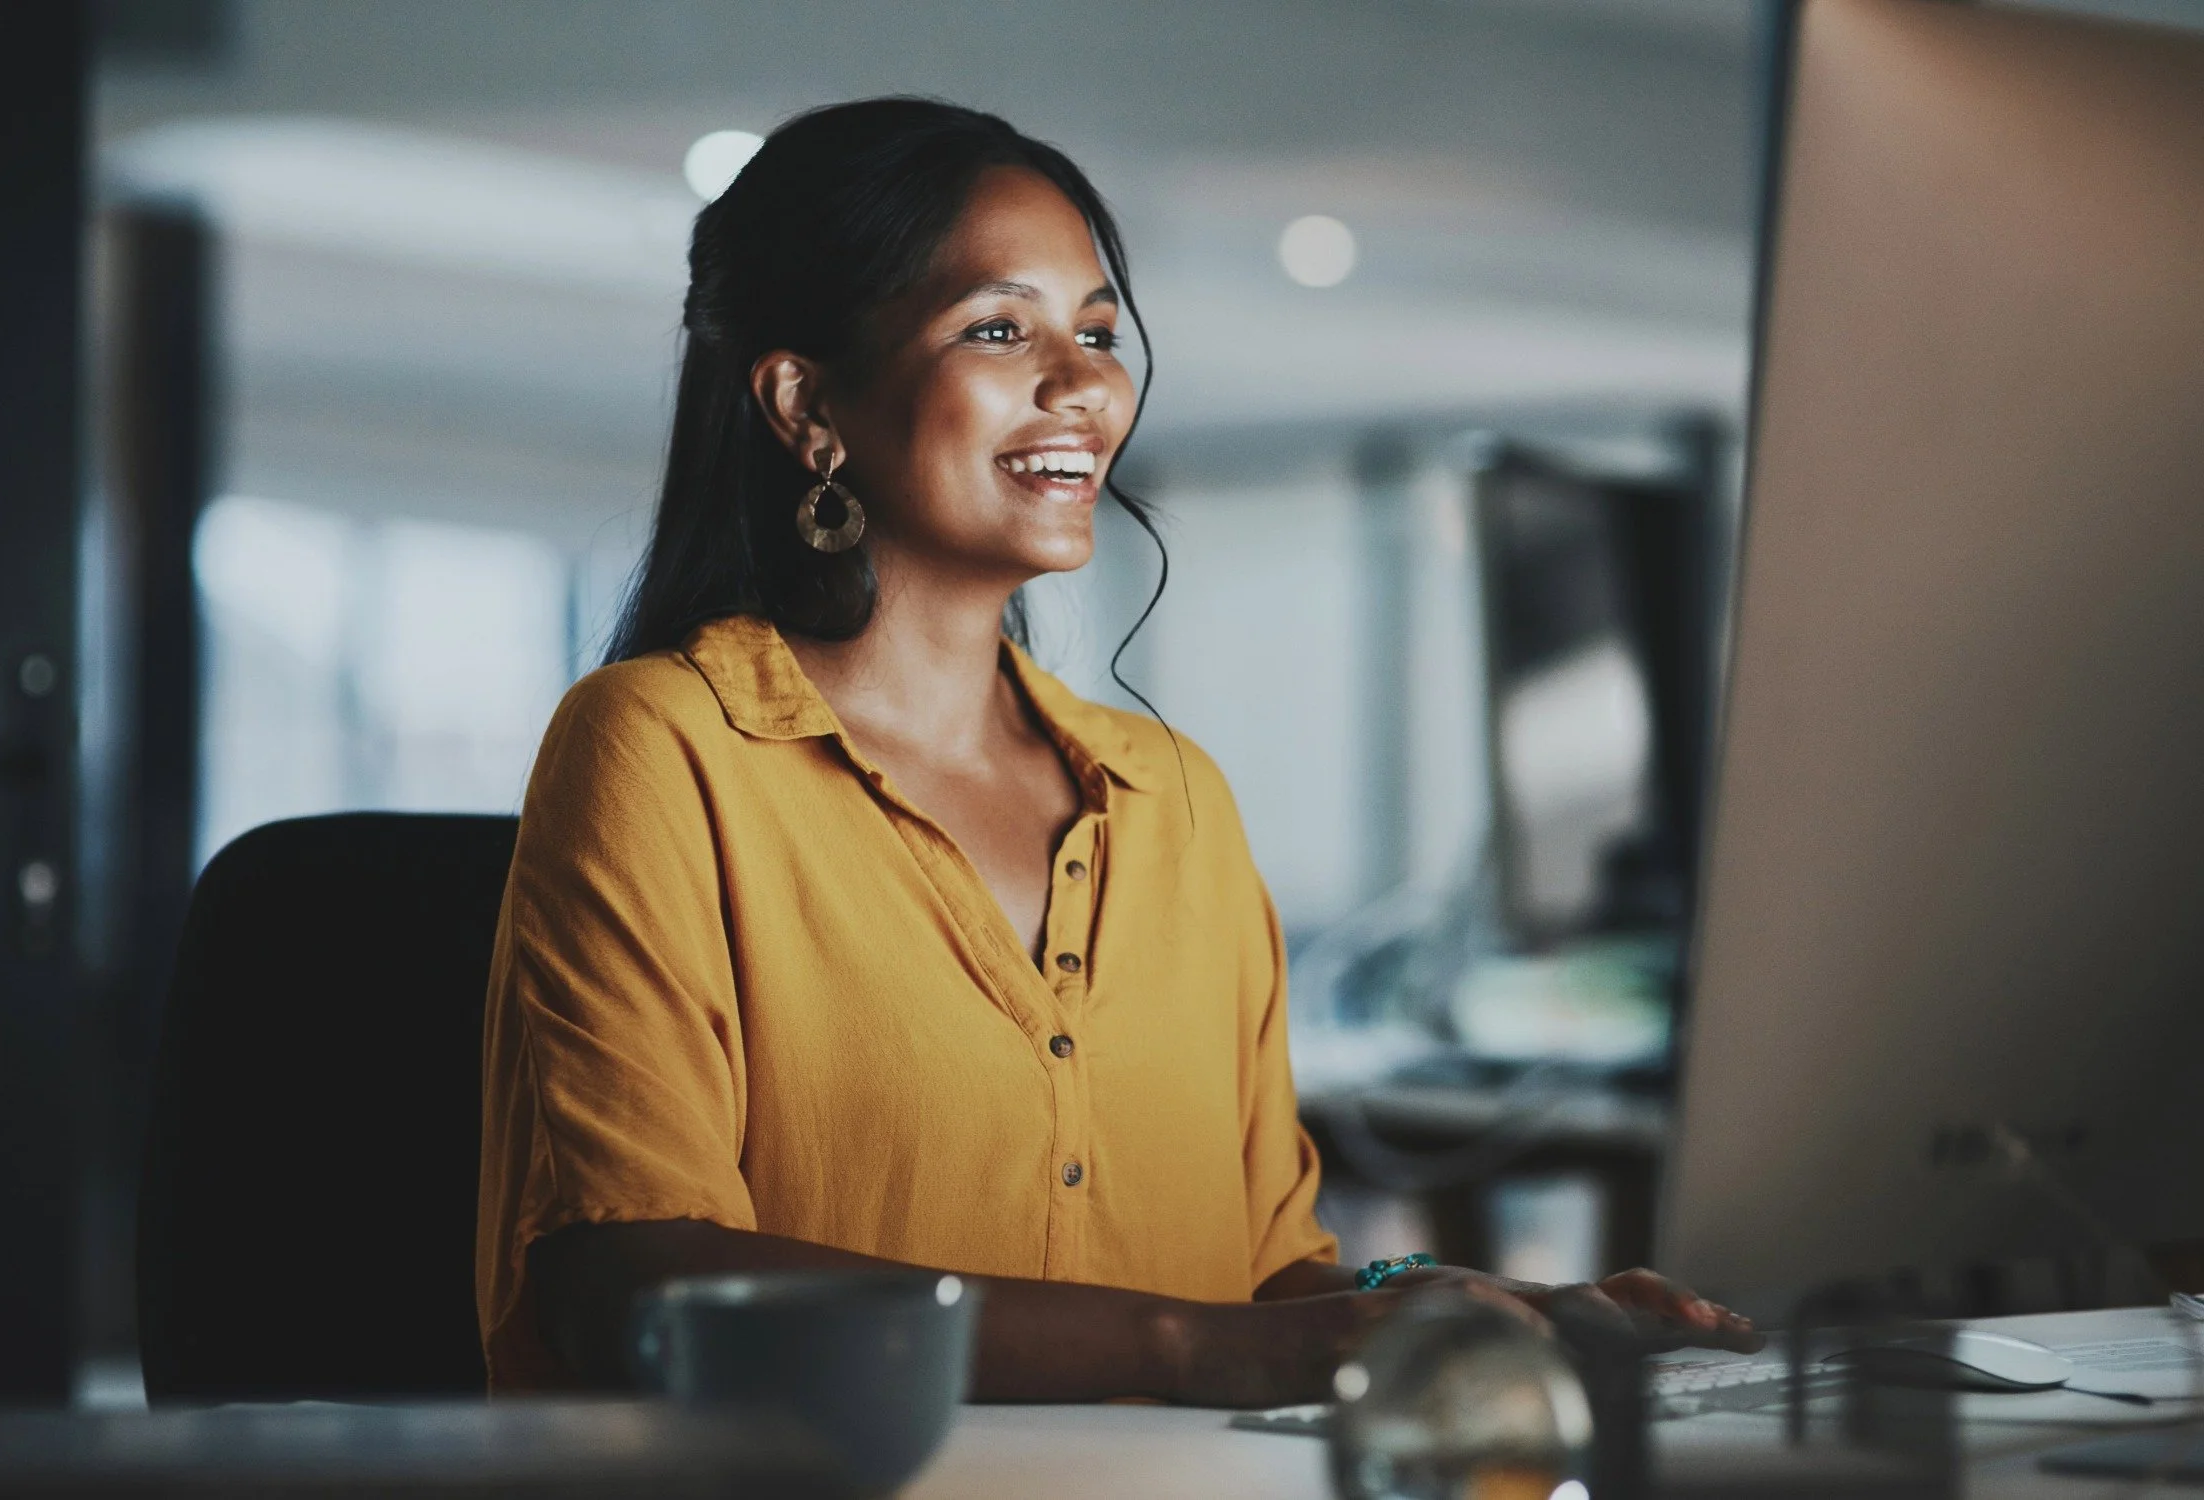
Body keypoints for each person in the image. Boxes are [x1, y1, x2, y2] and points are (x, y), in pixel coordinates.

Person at [475, 96, 1759, 1404]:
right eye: (998, 328)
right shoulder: (663, 748)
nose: (1085, 381)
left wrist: (1492, 1314)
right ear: (808, 405)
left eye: (1096, 331)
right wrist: (1200, 1349)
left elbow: (1269, 1291)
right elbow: (629, 1280)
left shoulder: (1176, 803)